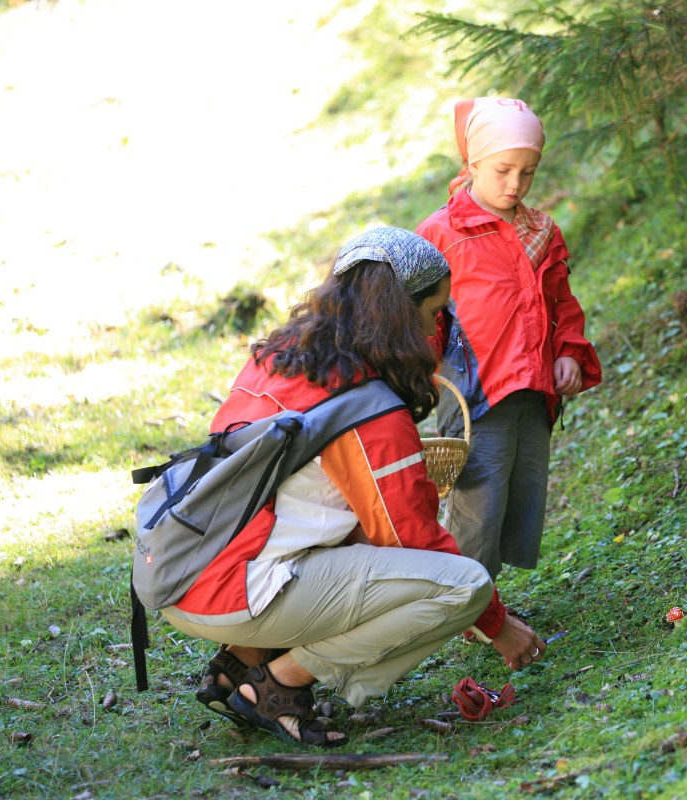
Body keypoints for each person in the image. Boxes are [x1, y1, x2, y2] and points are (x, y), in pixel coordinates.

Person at [162, 227, 547, 748]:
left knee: (366, 543)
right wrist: (497, 625)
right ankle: (280, 685)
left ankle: (243, 662)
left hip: (188, 568)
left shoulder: (281, 357)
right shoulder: (368, 406)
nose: (438, 327)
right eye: (435, 313)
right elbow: (412, 538)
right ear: (401, 315)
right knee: (465, 585)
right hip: (235, 592)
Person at [416, 97, 602, 581]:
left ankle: (484, 598)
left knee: (519, 491)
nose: (514, 184)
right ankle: (468, 604)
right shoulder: (441, 235)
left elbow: (561, 303)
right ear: (472, 162)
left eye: (528, 172)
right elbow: (418, 318)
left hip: (533, 390)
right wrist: (414, 378)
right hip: (475, 394)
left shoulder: (541, 230)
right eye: (502, 169)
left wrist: (567, 352)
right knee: (479, 501)